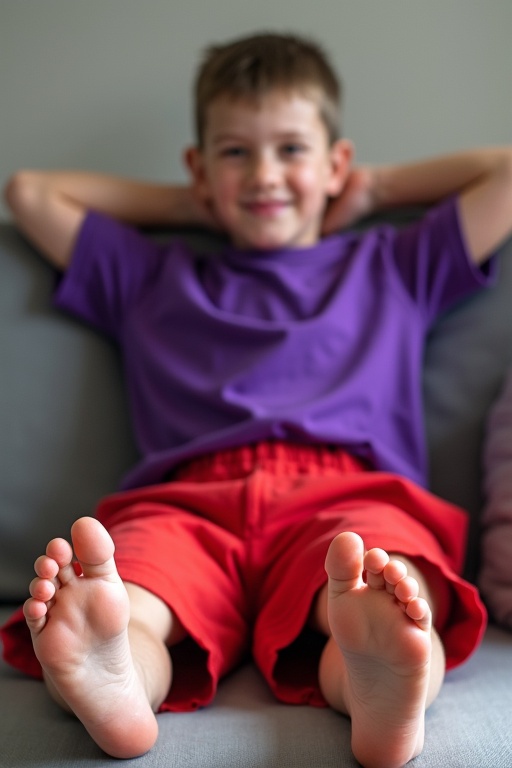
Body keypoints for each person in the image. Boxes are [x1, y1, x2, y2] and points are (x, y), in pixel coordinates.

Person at [1, 31, 512, 768]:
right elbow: (30, 193)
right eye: (236, 153)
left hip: (346, 492)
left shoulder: (395, 264)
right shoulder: (149, 275)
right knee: (134, 592)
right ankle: (114, 670)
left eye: (292, 151)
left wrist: (371, 189)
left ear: (336, 162)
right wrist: (195, 203)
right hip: (185, 503)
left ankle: (382, 679)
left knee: (377, 586)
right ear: (200, 168)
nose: (265, 175)